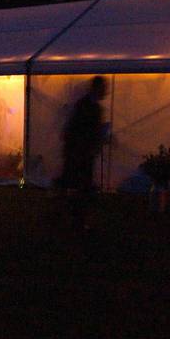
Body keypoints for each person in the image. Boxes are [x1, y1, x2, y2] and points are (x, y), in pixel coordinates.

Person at [59, 76, 107, 229]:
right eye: (103, 89)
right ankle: (75, 218)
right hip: (78, 152)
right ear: (96, 88)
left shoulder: (93, 106)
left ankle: (77, 217)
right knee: (78, 185)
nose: (106, 92)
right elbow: (76, 129)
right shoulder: (85, 106)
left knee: (82, 185)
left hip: (84, 152)